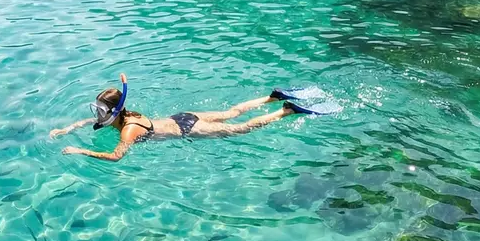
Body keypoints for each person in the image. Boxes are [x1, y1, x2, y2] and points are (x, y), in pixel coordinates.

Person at [50, 74, 310, 161]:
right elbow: (90, 122)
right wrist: (67, 128)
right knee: (231, 112)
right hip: (183, 117)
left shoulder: (128, 130)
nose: (97, 115)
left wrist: (81, 150)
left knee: (239, 128)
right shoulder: (129, 114)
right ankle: (272, 96)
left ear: (114, 112)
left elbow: (116, 156)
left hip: (188, 129)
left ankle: (283, 110)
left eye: (101, 111)